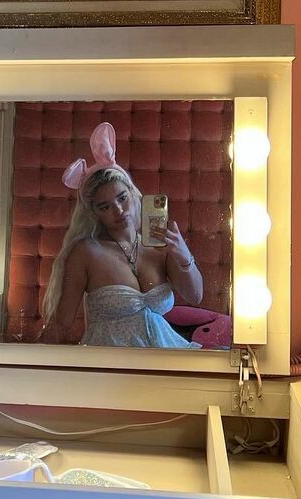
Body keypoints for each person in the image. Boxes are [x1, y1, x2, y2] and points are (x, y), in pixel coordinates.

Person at [38, 123, 203, 349]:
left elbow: (195, 296)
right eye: (104, 206)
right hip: (111, 365)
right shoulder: (86, 252)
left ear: (133, 194)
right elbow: (60, 324)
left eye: (122, 198)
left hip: (166, 358)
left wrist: (183, 255)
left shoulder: (159, 247)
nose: (118, 210)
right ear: (94, 213)